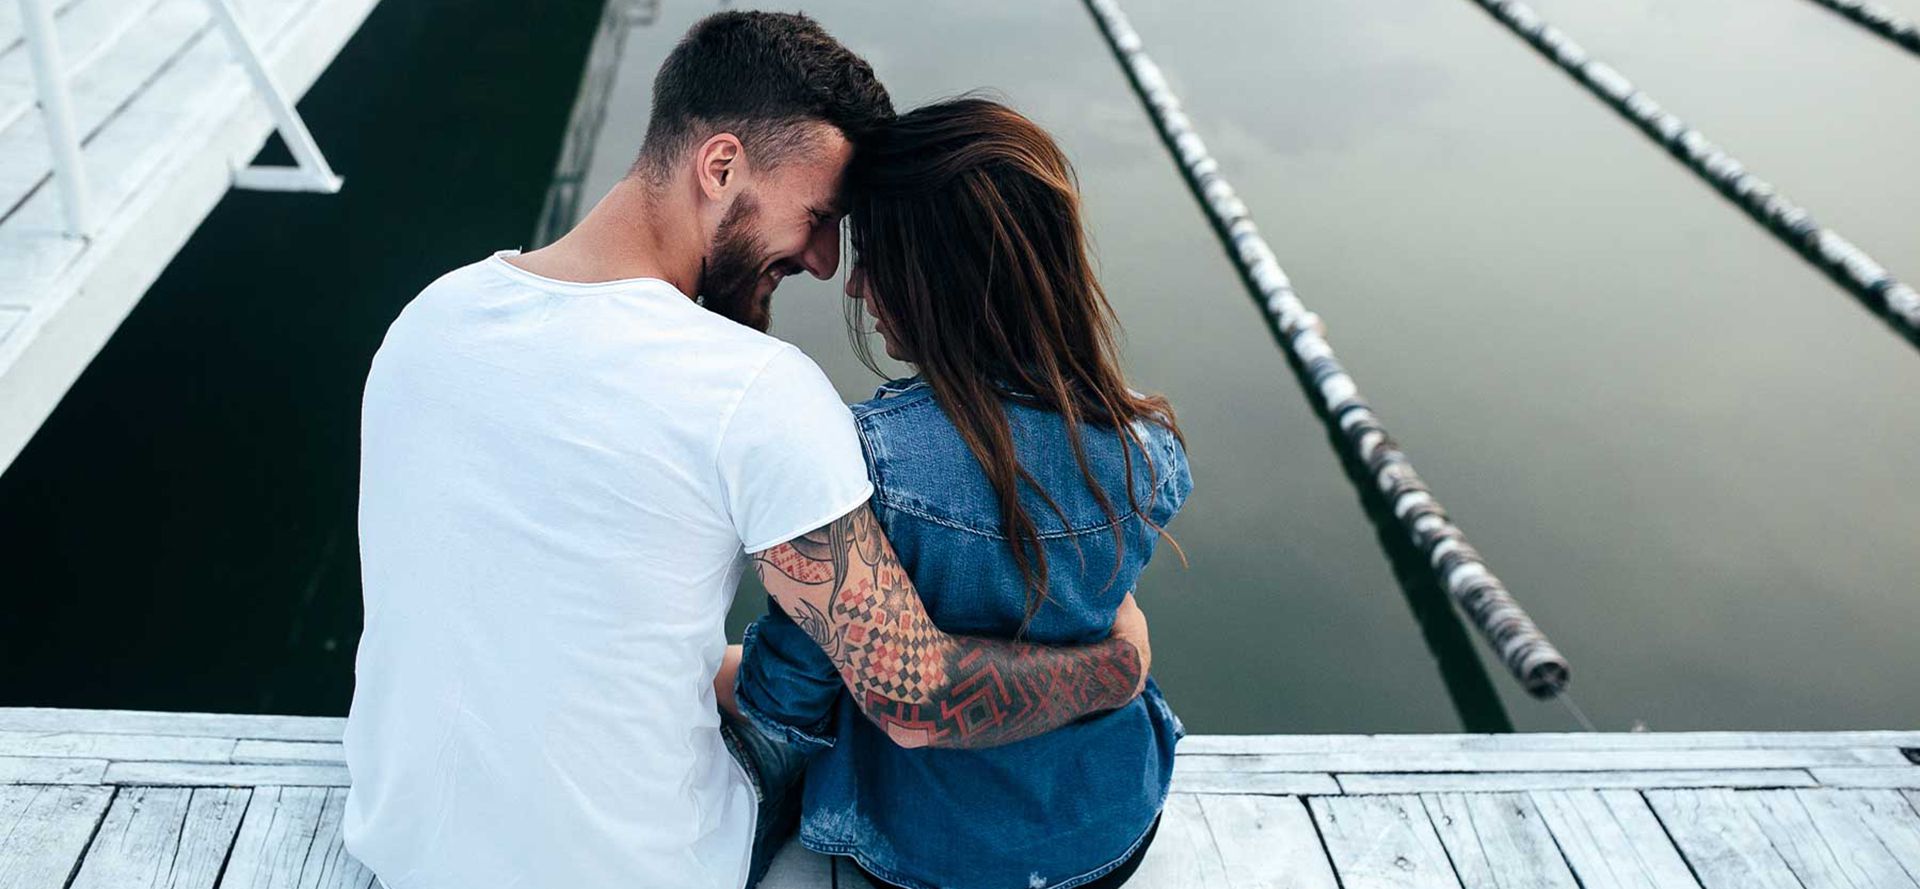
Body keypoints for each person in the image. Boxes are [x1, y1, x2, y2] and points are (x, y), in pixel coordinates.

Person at [344, 14, 1152, 889]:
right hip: (639, 869)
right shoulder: (754, 390)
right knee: (820, 703)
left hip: (406, 845)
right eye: (818, 217)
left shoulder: (430, 319)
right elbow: (915, 697)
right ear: (721, 166)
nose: (823, 260)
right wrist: (1113, 668)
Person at [724, 98, 1192, 889]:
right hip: (1114, 828)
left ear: (935, 277)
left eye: (876, 257)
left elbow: (786, 703)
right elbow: (1107, 616)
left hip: (936, 859)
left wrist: (688, 672)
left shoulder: (862, 463)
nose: (859, 286)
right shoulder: (1148, 450)